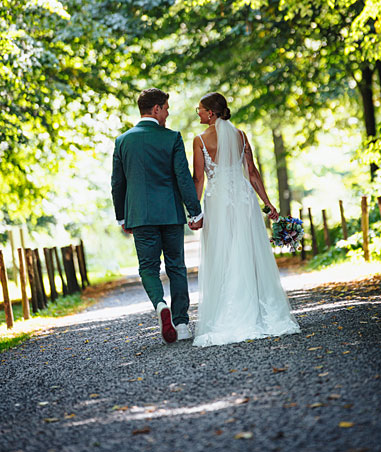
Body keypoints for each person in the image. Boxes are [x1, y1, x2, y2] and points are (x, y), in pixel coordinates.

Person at [191, 92, 300, 347]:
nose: (198, 113)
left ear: (210, 113)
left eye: (200, 109)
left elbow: (199, 178)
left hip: (218, 202)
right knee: (248, 251)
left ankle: (230, 311)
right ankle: (258, 310)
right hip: (243, 199)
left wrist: (195, 213)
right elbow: (251, 172)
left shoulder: (200, 140)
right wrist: (268, 203)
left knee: (223, 252)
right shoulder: (240, 136)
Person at [111, 88, 203, 344]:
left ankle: (160, 305)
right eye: (166, 109)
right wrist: (194, 211)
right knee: (176, 267)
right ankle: (181, 324)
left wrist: (122, 217)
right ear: (156, 109)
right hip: (171, 214)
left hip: (140, 215)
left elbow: (117, 184)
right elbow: (183, 177)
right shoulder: (172, 138)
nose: (167, 114)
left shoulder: (122, 141)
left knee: (148, 268)